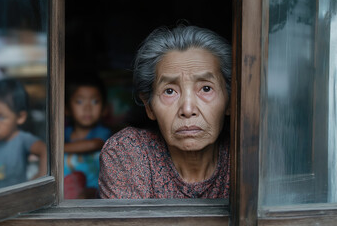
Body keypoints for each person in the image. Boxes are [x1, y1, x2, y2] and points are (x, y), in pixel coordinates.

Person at [99, 24, 232, 199]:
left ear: (231, 101)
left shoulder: (249, 153)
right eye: (170, 91)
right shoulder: (129, 153)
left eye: (206, 88)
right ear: (149, 106)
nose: (187, 109)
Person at [0, 78, 47, 190]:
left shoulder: (22, 139)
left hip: (18, 202)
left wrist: (37, 181)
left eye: (1, 117)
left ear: (20, 117)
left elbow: (45, 150)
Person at [64, 72, 112, 199]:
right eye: (79, 101)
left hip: (94, 189)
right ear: (66, 108)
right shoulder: (64, 134)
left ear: (104, 109)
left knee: (86, 194)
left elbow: (94, 144)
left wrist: (58, 148)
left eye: (95, 101)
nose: (87, 108)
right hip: (65, 188)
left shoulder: (102, 132)